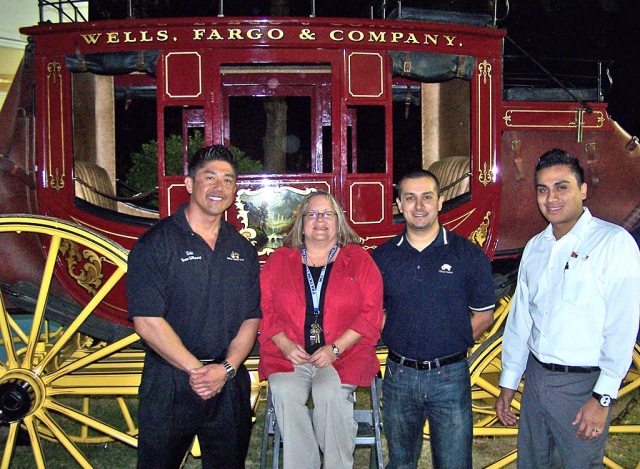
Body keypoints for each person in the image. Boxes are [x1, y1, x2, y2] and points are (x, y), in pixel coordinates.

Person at [496, 148, 640, 468]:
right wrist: (509, 380)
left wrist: (602, 398)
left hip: (582, 386)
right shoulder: (535, 246)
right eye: (543, 189)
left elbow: (621, 329)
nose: (551, 198)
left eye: (562, 187)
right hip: (535, 380)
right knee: (533, 463)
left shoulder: (613, 244)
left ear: (583, 190)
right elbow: (521, 320)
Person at [126, 145, 261, 469]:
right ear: (189, 184)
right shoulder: (156, 244)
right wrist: (197, 372)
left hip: (228, 381)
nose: (219, 188)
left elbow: (251, 318)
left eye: (228, 180)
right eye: (209, 177)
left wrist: (225, 369)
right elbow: (147, 320)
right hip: (170, 381)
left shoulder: (241, 249)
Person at [371, 169, 495, 469]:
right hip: (399, 377)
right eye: (410, 198)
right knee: (401, 463)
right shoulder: (382, 257)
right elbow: (375, 312)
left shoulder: (467, 254)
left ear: (440, 201)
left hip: (450, 378)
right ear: (399, 204)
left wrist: (449, 340)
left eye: (427, 197)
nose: (419, 206)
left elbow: (484, 314)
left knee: (454, 463)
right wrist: (400, 334)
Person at [258, 190, 383, 469]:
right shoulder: (279, 261)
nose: (320, 220)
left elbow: (370, 313)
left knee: (329, 394)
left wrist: (335, 347)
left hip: (343, 355)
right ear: (301, 224)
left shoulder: (359, 260)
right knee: (284, 391)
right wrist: (285, 345)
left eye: (327, 214)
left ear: (338, 222)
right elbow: (264, 308)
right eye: (312, 214)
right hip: (290, 355)